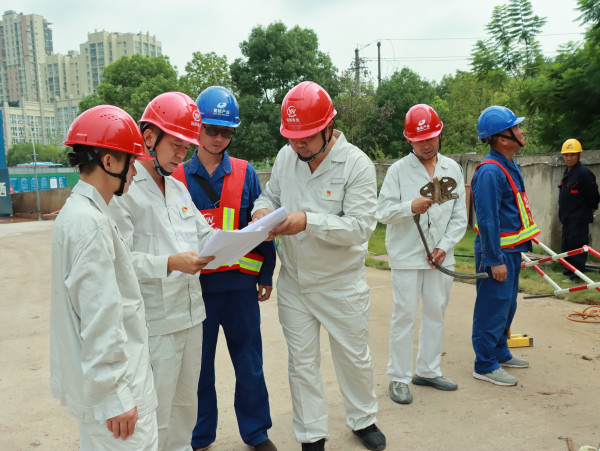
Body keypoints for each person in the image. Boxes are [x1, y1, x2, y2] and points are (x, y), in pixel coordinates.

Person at [251, 81, 386, 451]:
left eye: (307, 136)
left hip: (340, 282)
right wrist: (261, 210)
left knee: (353, 357)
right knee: (302, 363)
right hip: (295, 281)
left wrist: (307, 221)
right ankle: (311, 434)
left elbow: (360, 228)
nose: (299, 144)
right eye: (293, 137)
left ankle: (363, 419)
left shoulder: (356, 164)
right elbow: (269, 193)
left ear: (329, 128)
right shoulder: (285, 157)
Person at [108, 92, 216, 451]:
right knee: (157, 413)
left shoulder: (179, 188)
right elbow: (120, 261)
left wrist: (246, 236)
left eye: (186, 146)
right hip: (156, 326)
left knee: (187, 407)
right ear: (149, 137)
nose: (181, 153)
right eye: (176, 143)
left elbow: (206, 236)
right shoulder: (124, 191)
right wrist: (170, 263)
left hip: (191, 318)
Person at [171, 86, 277, 451]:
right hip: (195, 290)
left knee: (249, 364)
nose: (219, 138)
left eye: (226, 132)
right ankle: (199, 436)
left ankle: (256, 433)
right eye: (212, 130)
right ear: (197, 128)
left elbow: (261, 227)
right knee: (199, 370)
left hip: (239, 290)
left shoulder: (246, 173)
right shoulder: (177, 177)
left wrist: (265, 274)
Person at [49, 105, 158, 449]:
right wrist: (116, 397)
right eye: (131, 160)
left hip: (109, 390)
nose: (135, 170)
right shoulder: (90, 223)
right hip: (118, 403)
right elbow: (99, 317)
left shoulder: (81, 212)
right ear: (109, 161)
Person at [376, 104, 467, 404]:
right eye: (420, 139)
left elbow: (459, 217)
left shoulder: (452, 168)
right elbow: (382, 211)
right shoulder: (398, 171)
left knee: (435, 313)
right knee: (404, 316)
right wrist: (409, 207)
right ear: (409, 140)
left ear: (440, 135)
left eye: (432, 138)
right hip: (407, 256)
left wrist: (444, 247)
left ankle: (428, 370)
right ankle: (399, 378)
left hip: (441, 256)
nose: (427, 144)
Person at [471, 106, 540, 386]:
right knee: (491, 307)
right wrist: (493, 259)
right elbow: (488, 219)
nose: (521, 131)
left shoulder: (509, 165)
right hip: (497, 253)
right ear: (502, 138)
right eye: (516, 127)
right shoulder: (490, 172)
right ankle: (484, 364)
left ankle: (499, 351)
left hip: (511, 251)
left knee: (506, 305)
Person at [558, 138, 600, 280]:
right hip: (567, 219)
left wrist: (591, 208)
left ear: (579, 155)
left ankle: (577, 276)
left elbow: (594, 195)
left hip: (579, 219)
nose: (569, 158)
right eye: (566, 155)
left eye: (572, 155)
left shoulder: (584, 173)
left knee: (577, 248)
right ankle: (568, 271)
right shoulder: (568, 172)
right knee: (567, 247)